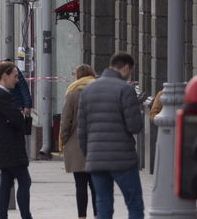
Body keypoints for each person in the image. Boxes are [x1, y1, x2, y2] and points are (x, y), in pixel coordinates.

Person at [78, 52, 144, 219]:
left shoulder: (88, 90)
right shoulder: (125, 89)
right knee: (134, 203)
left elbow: (82, 130)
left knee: (103, 204)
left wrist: (89, 155)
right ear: (127, 67)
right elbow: (135, 126)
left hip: (96, 159)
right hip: (122, 159)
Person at [0, 60, 33, 219]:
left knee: (6, 184)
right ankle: (26, 216)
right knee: (25, 182)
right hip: (10, 148)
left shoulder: (1, 94)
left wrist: (16, 118)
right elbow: (18, 120)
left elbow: (14, 119)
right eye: (14, 76)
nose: (17, 79)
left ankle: (2, 216)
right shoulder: (0, 95)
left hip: (6, 148)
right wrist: (18, 116)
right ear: (5, 76)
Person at [60, 63, 99, 219]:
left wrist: (64, 139)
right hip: (97, 144)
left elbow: (65, 121)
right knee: (96, 184)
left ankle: (81, 216)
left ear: (78, 76)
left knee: (80, 185)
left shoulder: (72, 94)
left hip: (76, 146)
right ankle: (98, 215)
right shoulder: (99, 92)